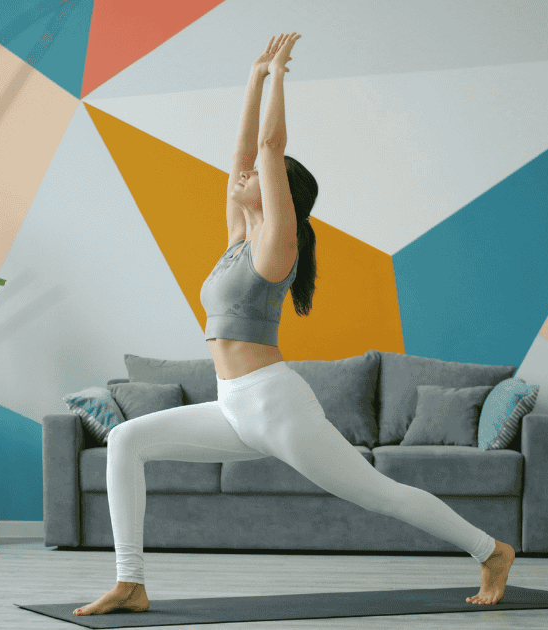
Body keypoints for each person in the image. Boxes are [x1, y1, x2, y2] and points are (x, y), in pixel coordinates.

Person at [74, 33, 515, 616]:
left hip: (275, 407)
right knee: (126, 440)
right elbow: (242, 158)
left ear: (278, 186)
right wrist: (253, 78)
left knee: (382, 495)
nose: (241, 176)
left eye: (258, 174)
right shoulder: (239, 239)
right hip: (232, 403)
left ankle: (491, 551)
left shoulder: (276, 247)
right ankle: (131, 582)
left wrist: (280, 76)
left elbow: (267, 145)